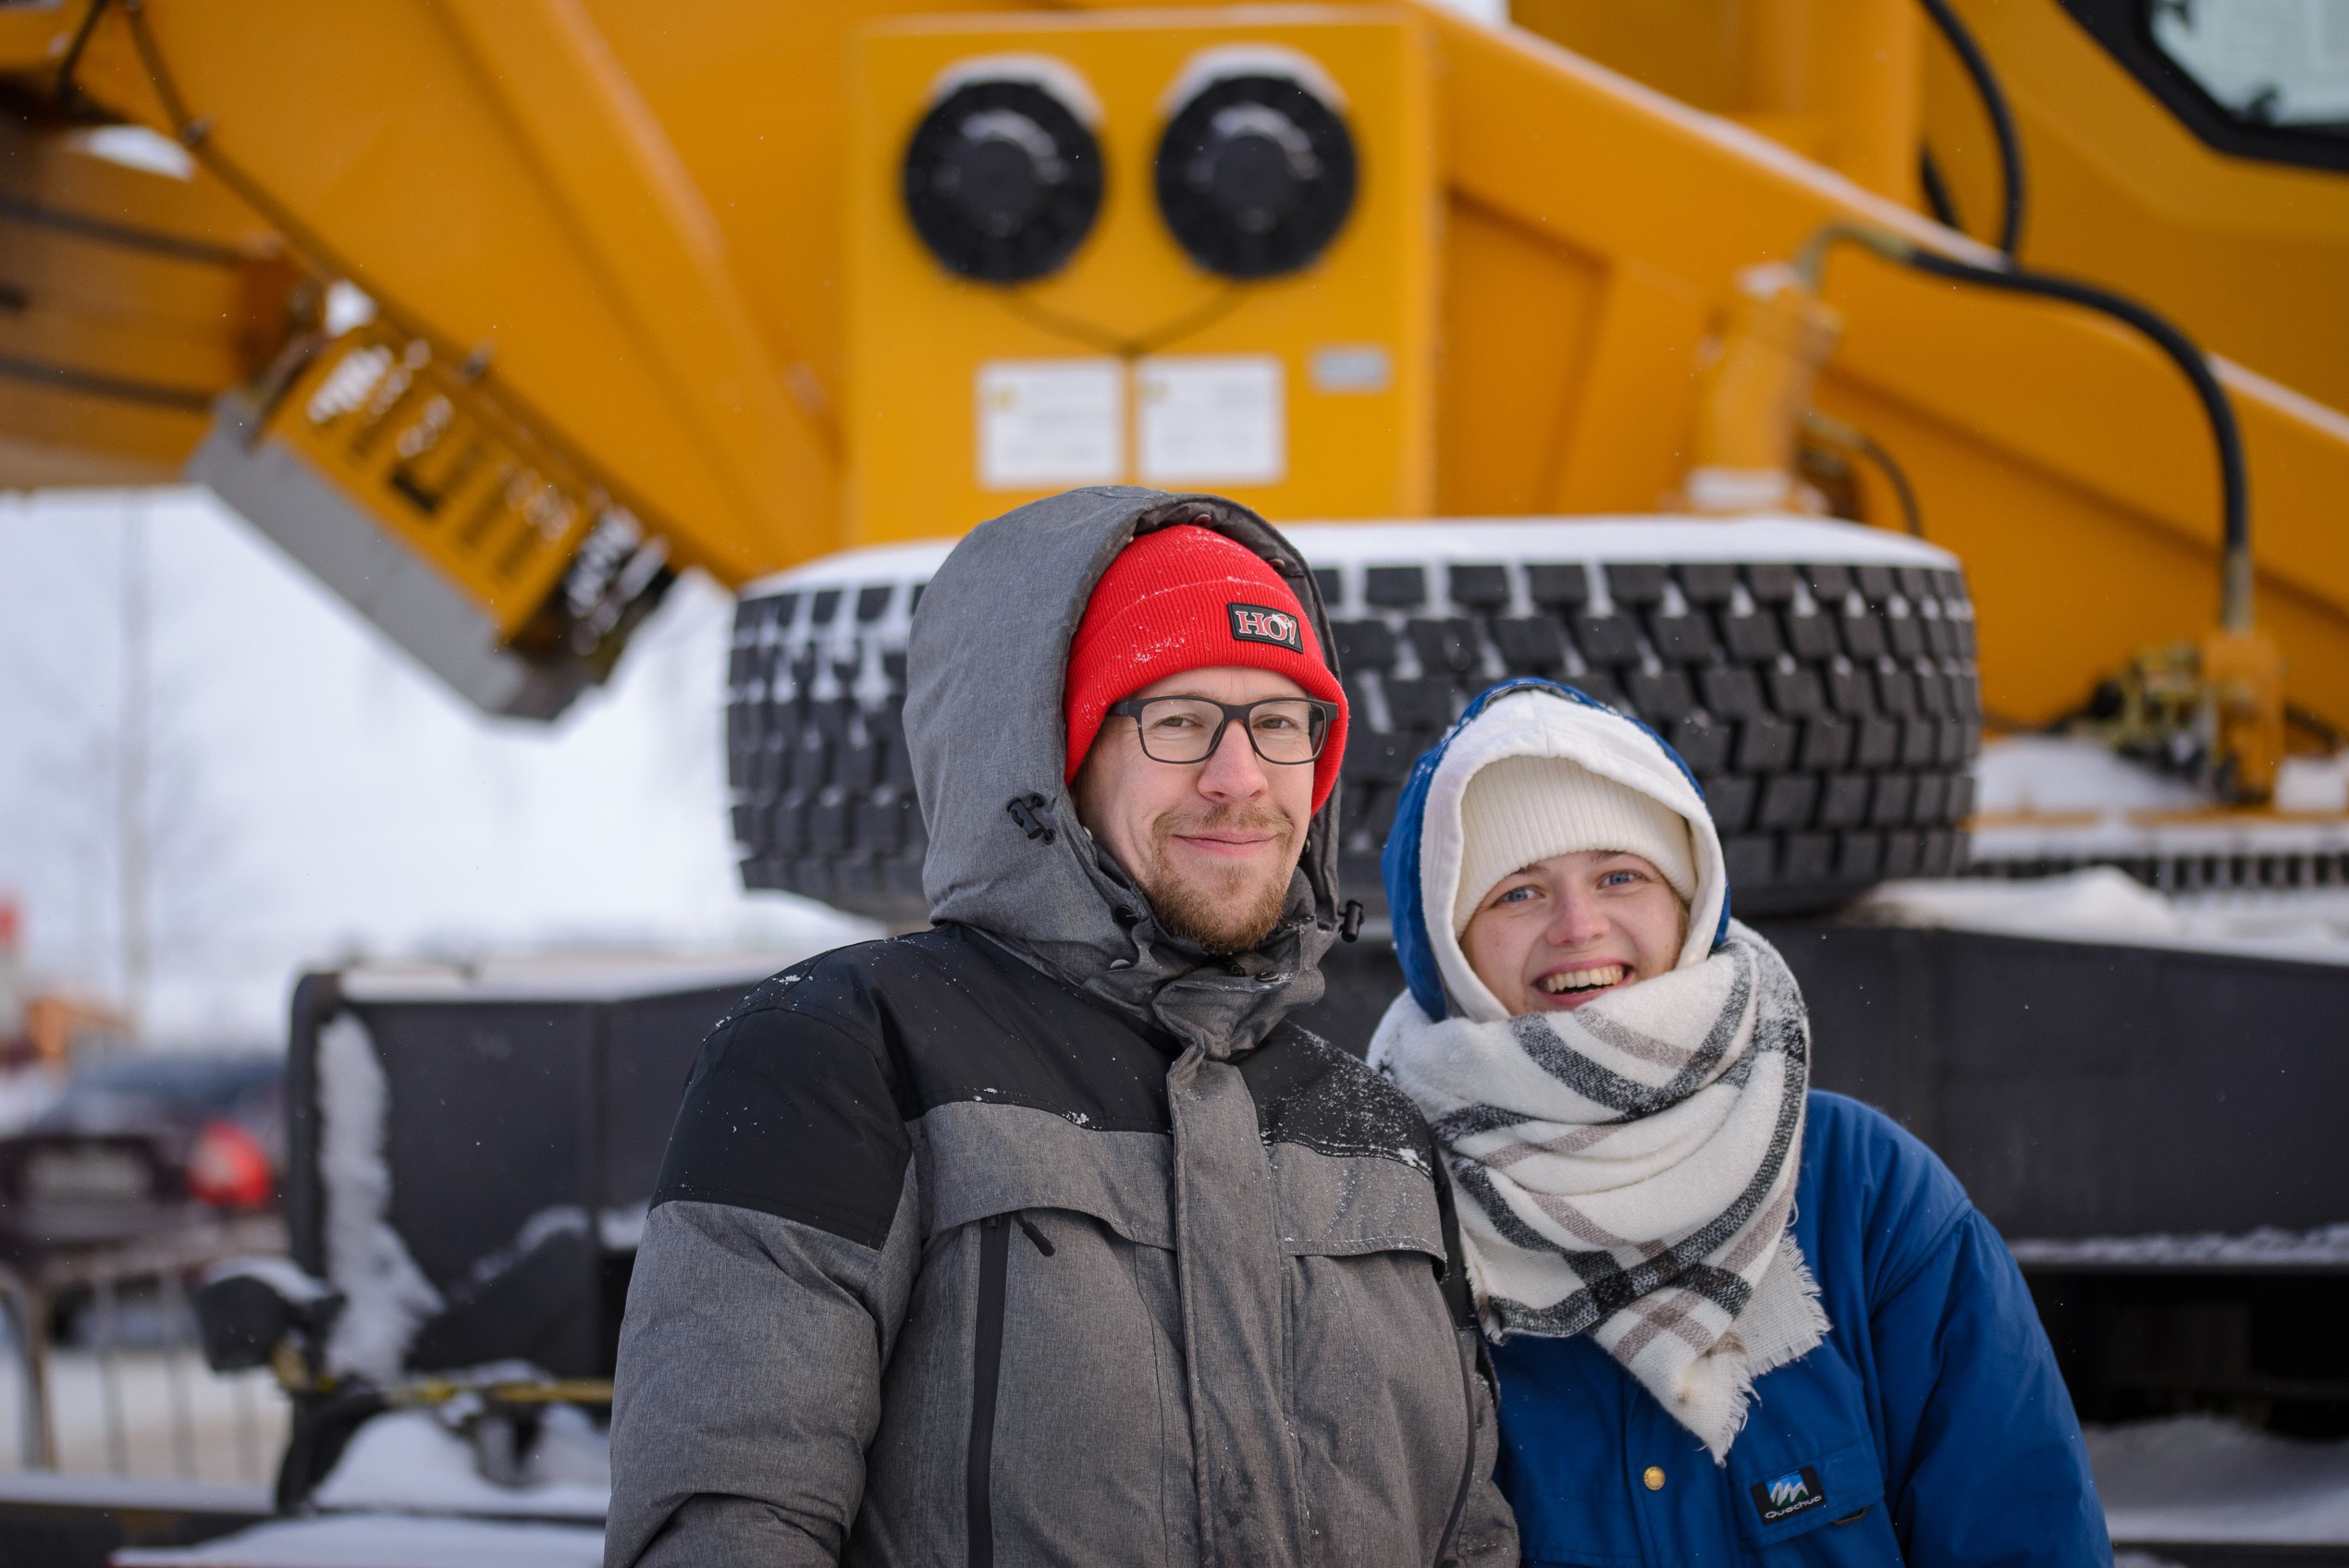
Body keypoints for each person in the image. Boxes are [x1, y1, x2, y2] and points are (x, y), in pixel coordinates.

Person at [605, 490, 1517, 1568]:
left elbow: (1469, 1537)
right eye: (1177, 720)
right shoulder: (841, 1053)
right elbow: (728, 1526)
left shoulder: (1374, 1127)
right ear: (1052, 762)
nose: (1240, 779)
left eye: (1278, 723)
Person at [1371, 678, 2112, 1566]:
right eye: (1517, 893)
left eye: (1620, 876)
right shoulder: (1390, 1227)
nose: (1579, 926)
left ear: (1690, 903)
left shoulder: (1867, 1199)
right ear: (1445, 947)